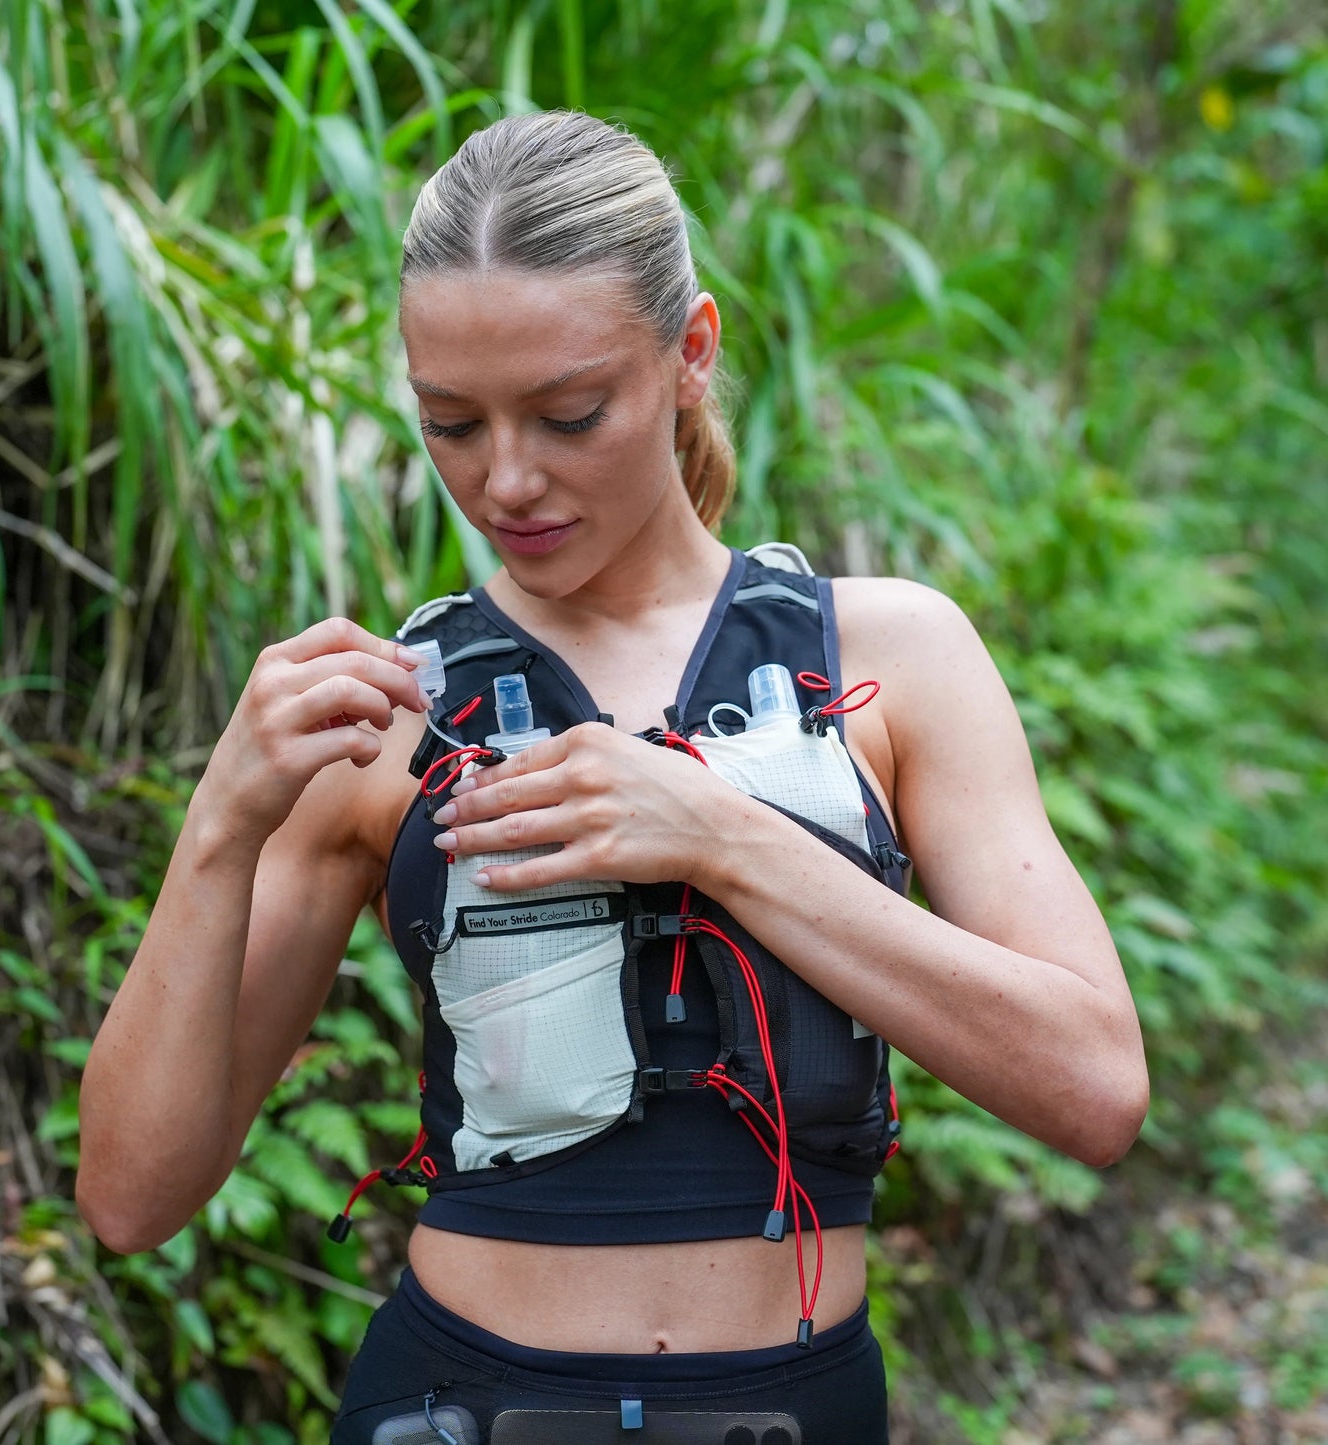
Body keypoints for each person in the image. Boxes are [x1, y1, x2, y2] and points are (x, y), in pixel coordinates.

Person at [76, 111, 1149, 1443]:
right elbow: (129, 1197)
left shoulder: (893, 655)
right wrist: (221, 822)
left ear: (688, 351)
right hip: (452, 1401)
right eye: (450, 422)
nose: (506, 479)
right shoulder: (385, 709)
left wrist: (721, 838)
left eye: (569, 413)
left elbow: (1093, 1086)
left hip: (794, 1408)